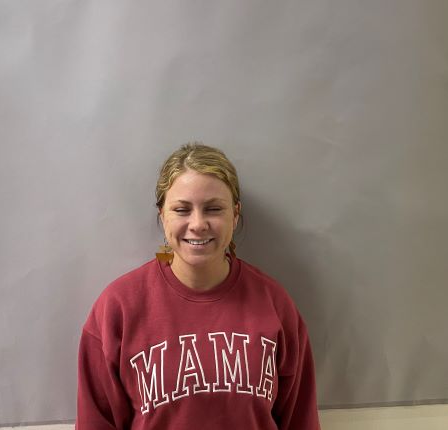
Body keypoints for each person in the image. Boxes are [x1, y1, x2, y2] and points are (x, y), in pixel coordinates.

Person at [76, 143, 321, 429]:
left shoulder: (274, 304)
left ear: (235, 214)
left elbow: (300, 420)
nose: (198, 224)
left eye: (213, 209)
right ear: (162, 215)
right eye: (182, 209)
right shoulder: (118, 307)